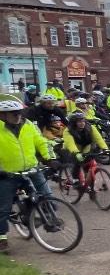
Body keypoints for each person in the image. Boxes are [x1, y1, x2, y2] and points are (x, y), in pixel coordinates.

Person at [0, 98, 58, 253]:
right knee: (4, 208)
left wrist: (50, 159)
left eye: (19, 112)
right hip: (7, 174)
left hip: (32, 168)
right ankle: (2, 238)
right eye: (13, 113)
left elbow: (40, 142)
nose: (18, 115)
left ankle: (40, 217)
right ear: (3, 115)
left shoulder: (28, 125)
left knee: (49, 198)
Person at [61, 112, 108, 185]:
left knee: (88, 162)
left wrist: (105, 148)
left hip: (85, 147)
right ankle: (75, 180)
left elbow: (98, 139)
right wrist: (76, 153)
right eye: (79, 122)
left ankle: (88, 180)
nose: (82, 123)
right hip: (70, 149)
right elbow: (70, 144)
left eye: (83, 121)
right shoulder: (67, 131)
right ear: (74, 123)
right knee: (76, 162)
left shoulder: (91, 128)